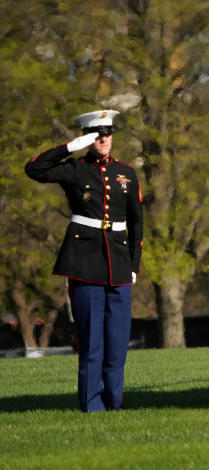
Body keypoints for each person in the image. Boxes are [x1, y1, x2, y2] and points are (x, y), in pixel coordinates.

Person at [25, 110, 143, 412]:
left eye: (108, 133)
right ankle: (91, 405)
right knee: (91, 341)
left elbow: (136, 220)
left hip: (118, 262)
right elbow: (34, 169)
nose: (104, 138)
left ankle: (114, 402)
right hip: (84, 262)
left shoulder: (126, 172)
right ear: (88, 137)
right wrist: (70, 147)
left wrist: (133, 264)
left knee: (117, 344)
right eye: (97, 134)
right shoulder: (74, 169)